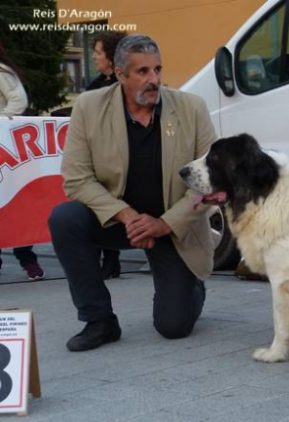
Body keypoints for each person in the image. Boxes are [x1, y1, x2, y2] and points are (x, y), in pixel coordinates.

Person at [48, 35, 216, 352]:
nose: (154, 80)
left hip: (172, 229)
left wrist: (164, 223)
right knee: (64, 219)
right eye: (142, 72)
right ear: (120, 74)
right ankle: (99, 320)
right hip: (117, 221)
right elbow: (76, 178)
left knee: (173, 327)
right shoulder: (89, 106)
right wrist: (127, 217)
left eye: (157, 70)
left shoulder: (192, 108)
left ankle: (193, 284)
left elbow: (212, 182)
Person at [0, 45, 46, 281]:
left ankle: (28, 260)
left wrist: (1, 125)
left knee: (15, 207)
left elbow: (19, 100)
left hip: (5, 149)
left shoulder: (1, 72)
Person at [86, 31, 128, 279]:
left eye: (98, 52)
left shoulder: (122, 86)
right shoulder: (95, 85)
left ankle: (111, 259)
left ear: (111, 57)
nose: (93, 57)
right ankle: (106, 261)